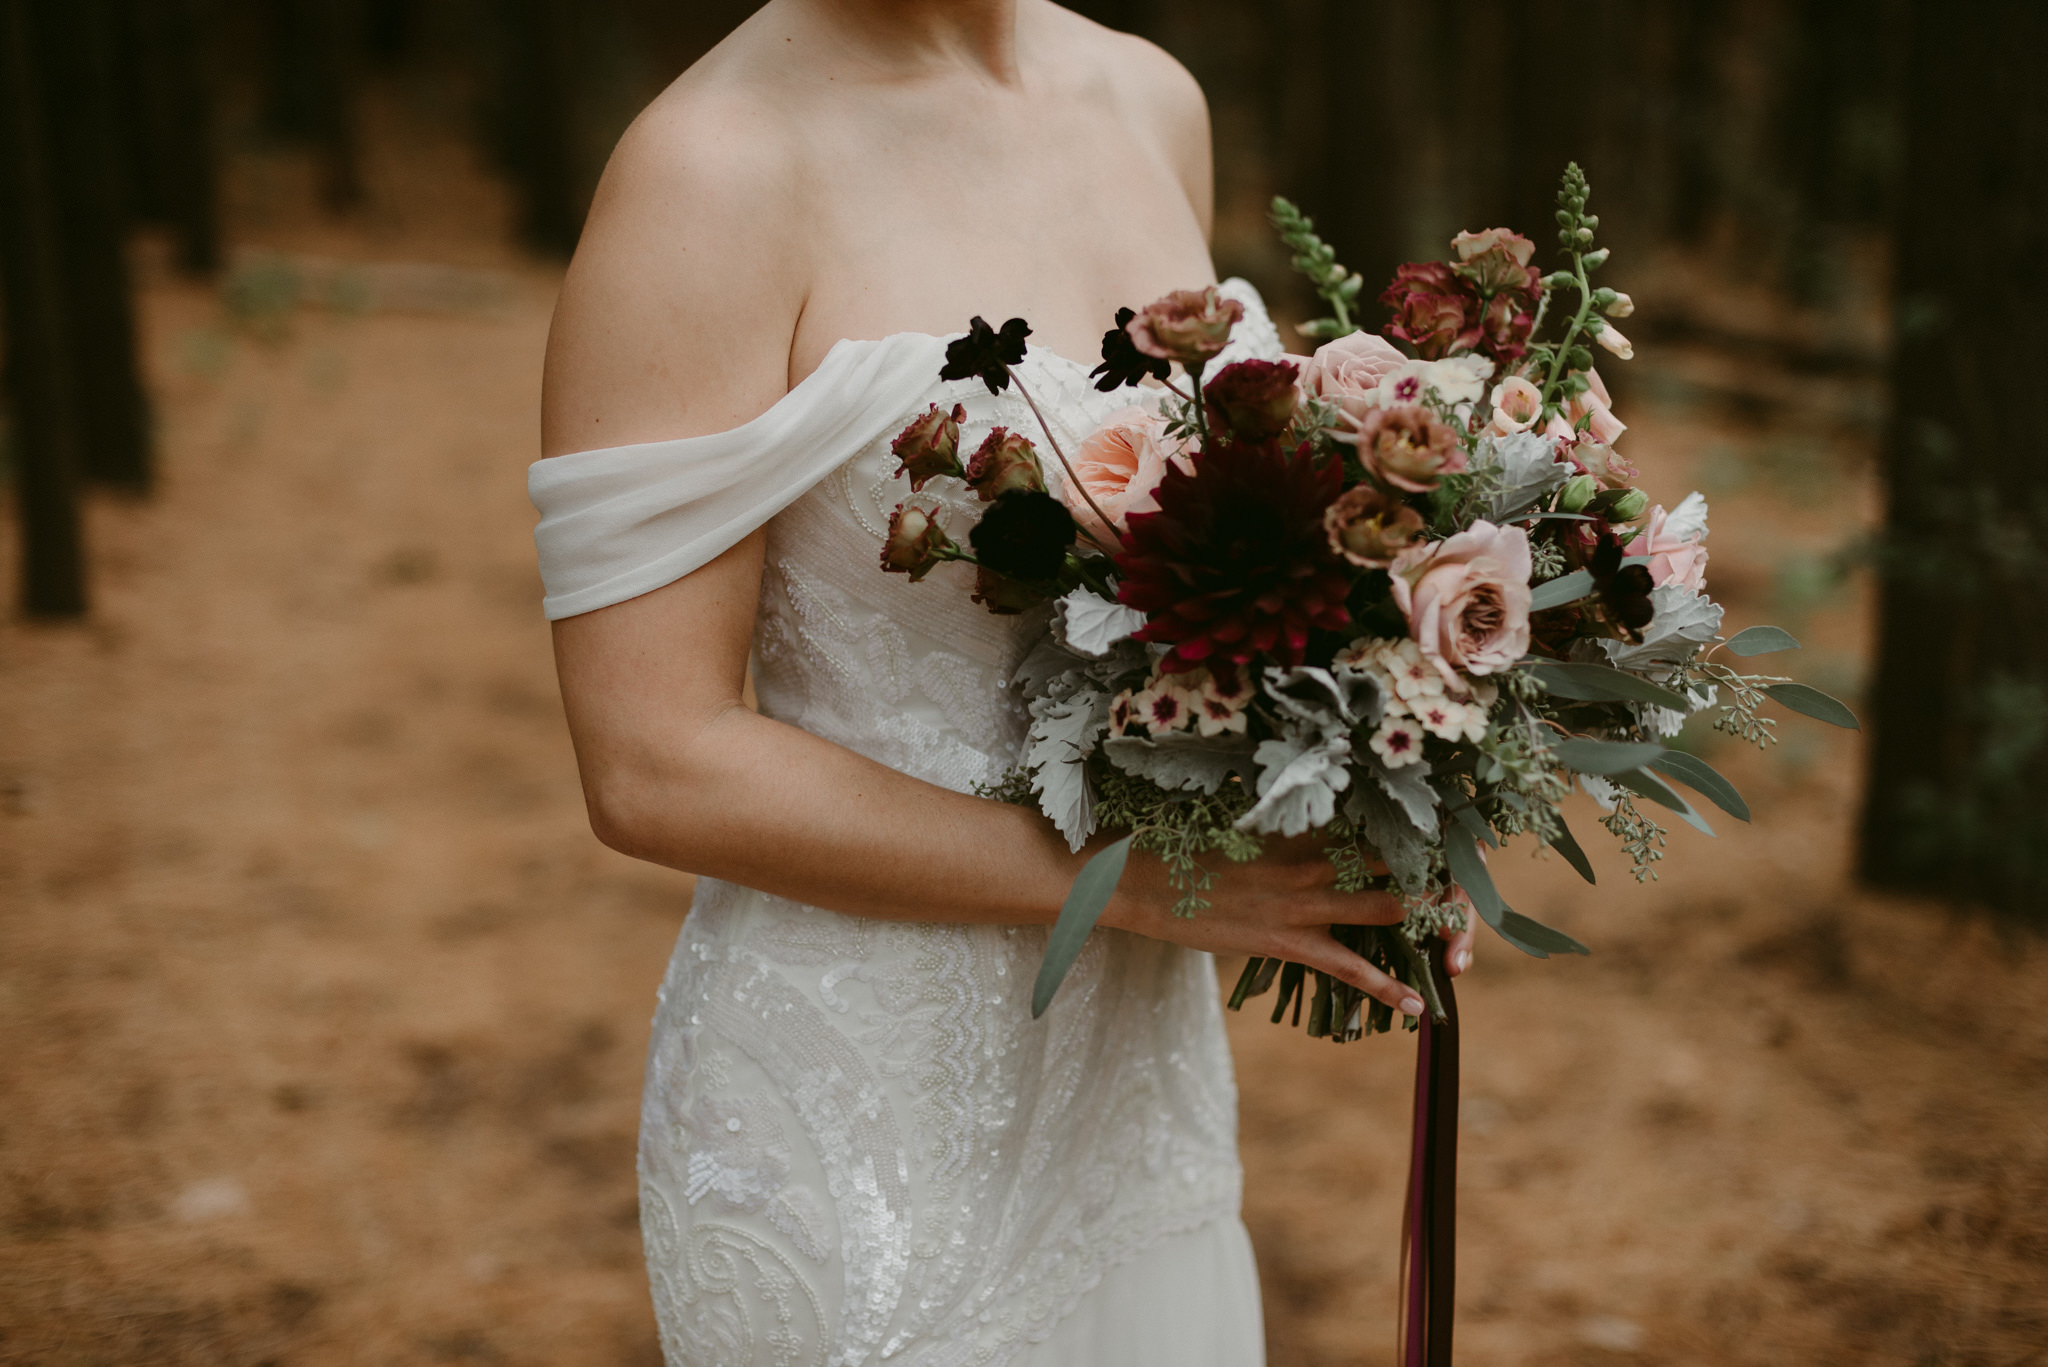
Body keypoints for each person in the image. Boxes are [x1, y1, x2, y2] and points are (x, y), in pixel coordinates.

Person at [533, 2, 1474, 1362]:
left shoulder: (1151, 98)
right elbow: (652, 758)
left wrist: (1377, 784)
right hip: (860, 1124)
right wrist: (1131, 876)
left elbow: (1174, 601)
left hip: (1133, 1104)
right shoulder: (711, 169)